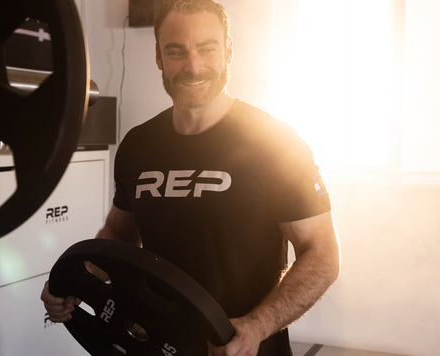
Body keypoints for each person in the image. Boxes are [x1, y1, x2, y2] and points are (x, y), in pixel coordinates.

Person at [41, 0, 340, 355]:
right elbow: (118, 235)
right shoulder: (138, 145)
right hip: (158, 344)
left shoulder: (275, 142)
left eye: (207, 48)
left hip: (242, 349)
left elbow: (322, 253)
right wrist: (78, 282)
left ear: (228, 51)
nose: (193, 66)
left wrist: (257, 326)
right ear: (158, 58)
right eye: (176, 51)